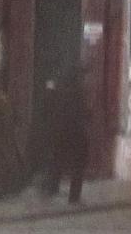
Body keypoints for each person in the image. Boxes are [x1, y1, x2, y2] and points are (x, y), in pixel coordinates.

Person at [44, 66, 90, 204]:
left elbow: (50, 104)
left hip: (60, 130)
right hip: (75, 132)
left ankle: (52, 188)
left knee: (57, 160)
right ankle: (74, 197)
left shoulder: (59, 89)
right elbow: (82, 112)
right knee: (78, 164)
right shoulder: (78, 92)